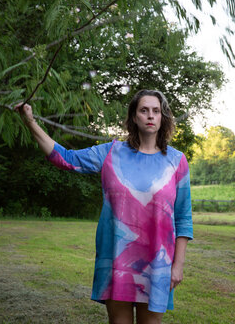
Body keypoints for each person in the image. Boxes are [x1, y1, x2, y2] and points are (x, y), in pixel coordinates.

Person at [15, 89, 193, 324]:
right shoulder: (111, 152)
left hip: (158, 264)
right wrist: (30, 121)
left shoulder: (176, 161)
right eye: (144, 110)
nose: (150, 115)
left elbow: (183, 218)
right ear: (133, 117)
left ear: (163, 117)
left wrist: (177, 266)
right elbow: (65, 158)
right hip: (117, 261)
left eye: (156, 111)